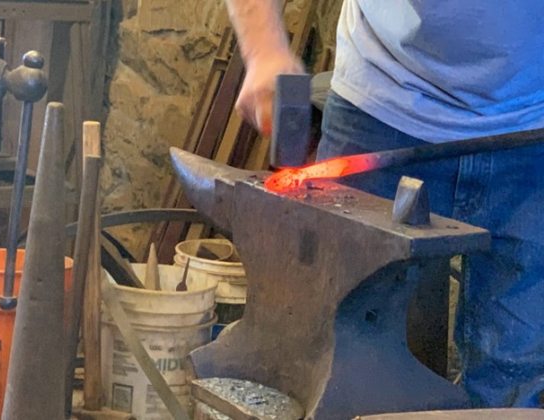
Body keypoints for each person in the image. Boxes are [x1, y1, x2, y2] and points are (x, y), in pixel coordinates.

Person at [225, 0, 544, 409]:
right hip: (382, 105)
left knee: (519, 371)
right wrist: (264, 48)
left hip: (533, 128)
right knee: (341, 360)